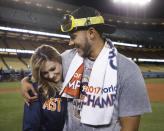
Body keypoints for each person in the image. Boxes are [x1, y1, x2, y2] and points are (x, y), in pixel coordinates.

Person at [21, 6, 151, 131]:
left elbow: (130, 127)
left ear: (91, 33)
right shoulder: (68, 59)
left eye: (73, 37)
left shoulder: (127, 70)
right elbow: (44, 67)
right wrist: (25, 81)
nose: (70, 43)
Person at [22, 45, 67, 131]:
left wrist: (25, 80)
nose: (51, 76)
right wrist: (26, 80)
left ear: (59, 60)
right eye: (45, 73)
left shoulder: (74, 81)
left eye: (53, 69)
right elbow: (30, 127)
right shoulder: (34, 91)